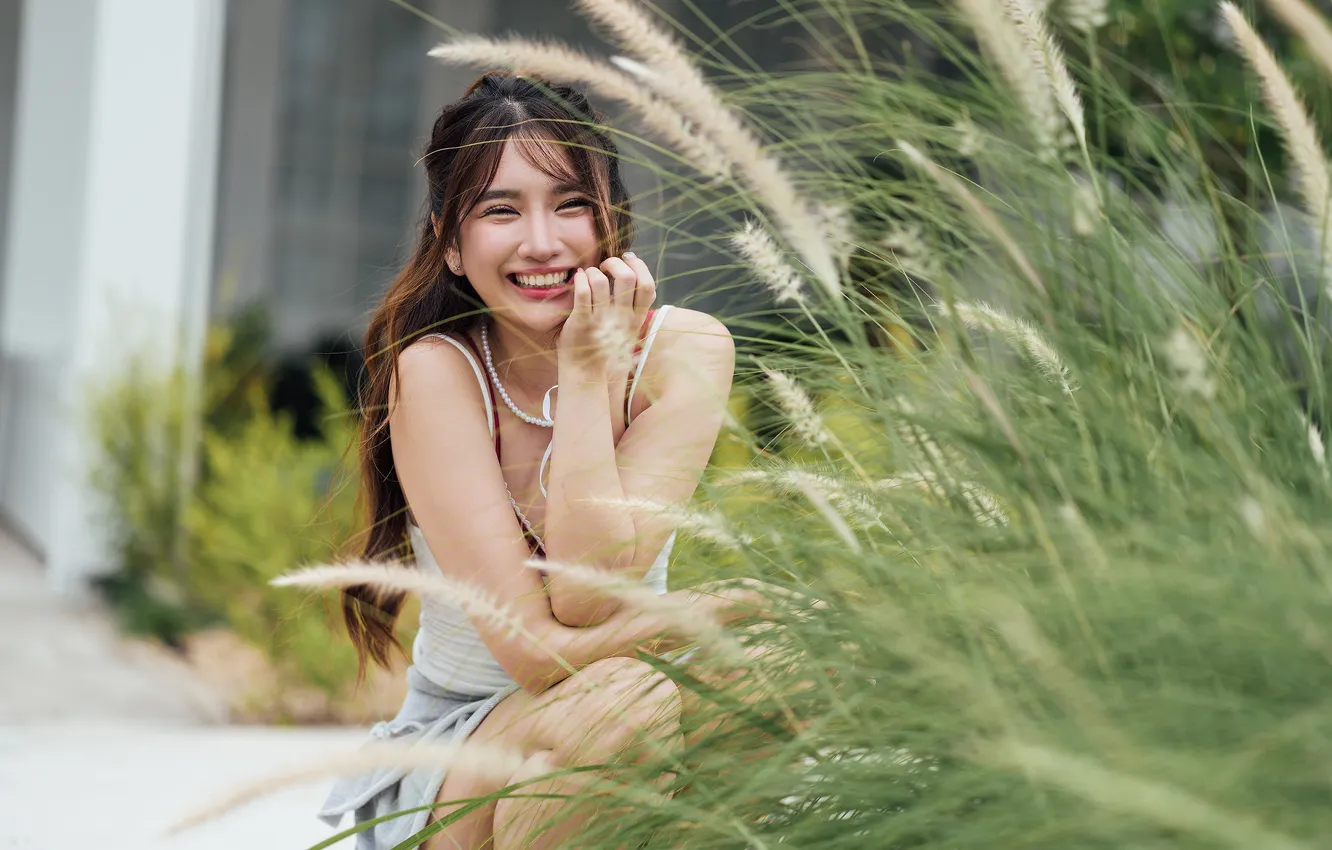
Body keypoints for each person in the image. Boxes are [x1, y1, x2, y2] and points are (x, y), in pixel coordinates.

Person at [318, 72, 752, 850]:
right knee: (625, 706)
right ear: (451, 244)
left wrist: (593, 375)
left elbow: (591, 600)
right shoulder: (438, 373)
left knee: (772, 670)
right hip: (462, 758)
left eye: (570, 203)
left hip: (622, 726)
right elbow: (550, 646)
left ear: (610, 218)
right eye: (501, 210)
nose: (543, 242)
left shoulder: (687, 351)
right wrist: (585, 375)